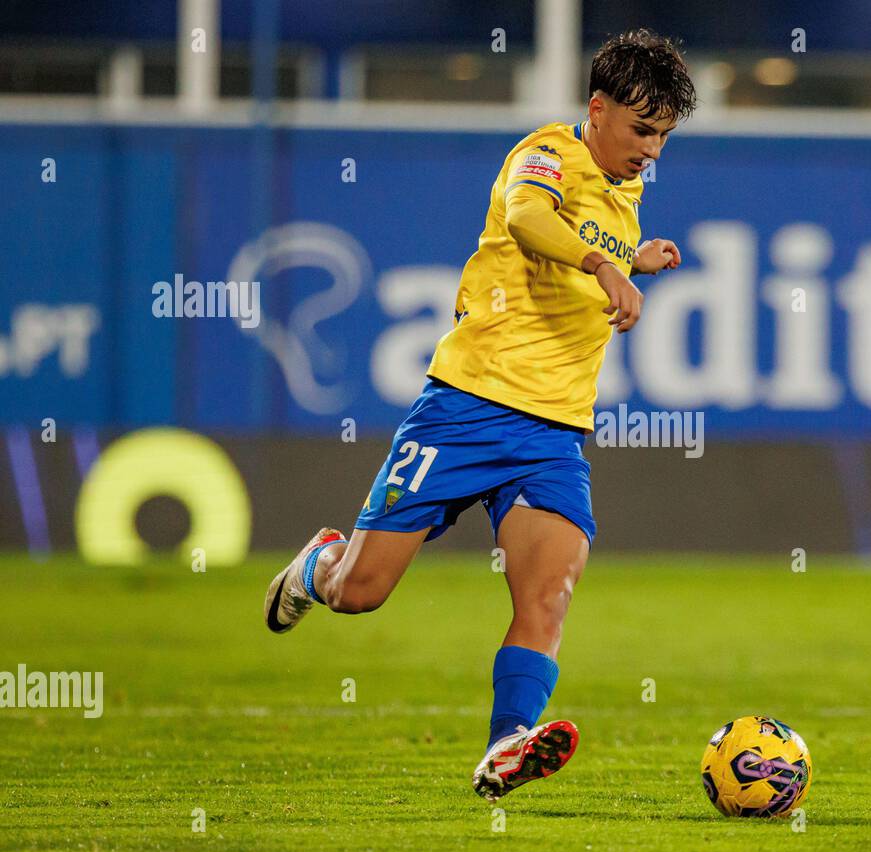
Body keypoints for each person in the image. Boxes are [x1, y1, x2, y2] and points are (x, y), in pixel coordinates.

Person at [263, 28, 697, 802]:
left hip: (553, 433)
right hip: (465, 408)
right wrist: (607, 264)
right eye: (641, 130)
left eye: (663, 135)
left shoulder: (628, 191)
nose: (652, 150)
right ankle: (313, 568)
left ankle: (507, 744)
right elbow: (532, 221)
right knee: (361, 592)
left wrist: (635, 257)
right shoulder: (543, 155)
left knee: (549, 596)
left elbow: (586, 240)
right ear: (596, 109)